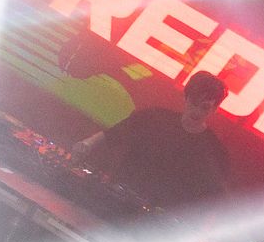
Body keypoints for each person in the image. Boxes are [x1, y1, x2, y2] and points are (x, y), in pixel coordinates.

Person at [74, 69, 231, 210]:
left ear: (215, 108)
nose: (196, 111)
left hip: (161, 218)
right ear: (186, 97)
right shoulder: (155, 117)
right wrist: (87, 143)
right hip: (118, 197)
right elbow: (114, 133)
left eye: (204, 107)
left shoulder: (213, 150)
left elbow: (212, 197)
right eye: (194, 103)